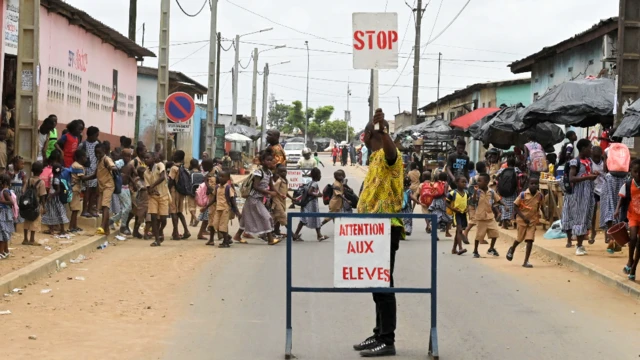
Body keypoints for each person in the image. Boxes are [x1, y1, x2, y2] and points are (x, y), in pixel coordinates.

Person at [351, 108, 402, 357]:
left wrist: (383, 132)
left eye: (366, 137)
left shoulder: (390, 155)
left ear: (370, 135)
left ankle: (387, 340)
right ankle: (378, 332)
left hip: (385, 228)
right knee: (374, 282)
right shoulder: (373, 159)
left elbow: (391, 154)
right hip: (369, 229)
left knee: (383, 283)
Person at [232, 150, 281, 245]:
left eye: (271, 160)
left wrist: (278, 193)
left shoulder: (269, 173)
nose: (270, 162)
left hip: (258, 199)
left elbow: (272, 186)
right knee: (266, 217)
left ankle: (237, 235)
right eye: (268, 160)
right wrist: (268, 192)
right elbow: (256, 186)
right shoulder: (259, 172)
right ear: (262, 161)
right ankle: (270, 239)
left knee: (246, 218)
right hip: (253, 199)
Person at [561, 139, 598, 255]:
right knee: (580, 218)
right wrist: (587, 177)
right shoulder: (574, 162)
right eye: (589, 147)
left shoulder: (589, 161)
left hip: (588, 193)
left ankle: (581, 245)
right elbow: (572, 178)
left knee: (586, 217)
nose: (591, 150)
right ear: (583, 149)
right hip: (579, 195)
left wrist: (592, 176)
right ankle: (579, 245)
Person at [509, 177, 544, 268]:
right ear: (528, 185)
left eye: (535, 184)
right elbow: (515, 206)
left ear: (538, 185)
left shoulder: (540, 195)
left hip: (532, 221)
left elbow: (541, 206)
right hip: (521, 221)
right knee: (519, 239)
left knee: (530, 240)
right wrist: (523, 217)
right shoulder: (523, 195)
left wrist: (544, 214)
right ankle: (512, 249)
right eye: (532, 184)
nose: (533, 185)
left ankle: (526, 261)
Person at [616, 159, 640, 279]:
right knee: (633, 237)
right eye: (635, 171)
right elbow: (622, 198)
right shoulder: (628, 184)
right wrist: (617, 210)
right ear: (631, 171)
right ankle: (630, 260)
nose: (638, 174)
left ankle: (634, 268)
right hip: (633, 215)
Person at [471, 173, 505, 258]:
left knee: (495, 233)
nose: (477, 182)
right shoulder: (478, 192)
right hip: (480, 217)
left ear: (486, 182)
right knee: (479, 235)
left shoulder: (491, 192)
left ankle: (491, 248)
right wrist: (475, 192)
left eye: (479, 181)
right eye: (477, 180)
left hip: (490, 216)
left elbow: (498, 200)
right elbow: (474, 201)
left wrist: (505, 205)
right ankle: (475, 250)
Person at [207, 170, 240, 248]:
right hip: (218, 209)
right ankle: (227, 238)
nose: (220, 178)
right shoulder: (217, 187)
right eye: (219, 176)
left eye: (222, 176)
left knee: (223, 226)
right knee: (215, 225)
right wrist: (206, 207)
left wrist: (237, 212)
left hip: (225, 209)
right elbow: (214, 199)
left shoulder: (228, 188)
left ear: (227, 178)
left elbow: (232, 201)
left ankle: (226, 242)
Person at [292, 167, 327, 241]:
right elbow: (310, 192)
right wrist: (318, 195)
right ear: (317, 176)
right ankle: (319, 235)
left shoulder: (310, 182)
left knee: (306, 219)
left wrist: (319, 194)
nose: (320, 176)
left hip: (307, 204)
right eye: (319, 175)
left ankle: (296, 234)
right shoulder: (315, 183)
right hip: (311, 204)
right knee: (313, 218)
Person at [146, 152, 170, 247]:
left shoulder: (160, 165)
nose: (145, 160)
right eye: (144, 158)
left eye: (148, 158)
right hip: (153, 197)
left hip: (163, 195)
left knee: (163, 219)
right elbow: (148, 188)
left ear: (152, 158)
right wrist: (151, 191)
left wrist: (152, 186)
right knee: (154, 218)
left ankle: (160, 231)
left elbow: (162, 177)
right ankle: (156, 239)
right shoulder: (146, 172)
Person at [21, 162, 47, 247]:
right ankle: (32, 239)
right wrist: (44, 206)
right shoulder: (41, 182)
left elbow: (23, 191)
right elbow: (43, 195)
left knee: (27, 220)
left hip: (27, 204)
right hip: (36, 205)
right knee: (35, 221)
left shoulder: (28, 180)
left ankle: (25, 239)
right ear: (41, 171)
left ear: (32, 170)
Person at [95, 143, 117, 236]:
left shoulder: (106, 159)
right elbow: (95, 174)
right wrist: (83, 178)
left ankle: (102, 226)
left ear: (104, 151)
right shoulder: (99, 161)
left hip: (108, 185)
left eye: (99, 153)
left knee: (105, 206)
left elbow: (113, 167)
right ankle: (106, 229)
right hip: (101, 187)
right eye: (96, 153)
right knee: (102, 207)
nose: (97, 155)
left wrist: (111, 167)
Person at [168, 150, 191, 240]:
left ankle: (176, 233)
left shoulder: (173, 168)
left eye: (174, 155)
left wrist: (168, 191)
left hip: (174, 191)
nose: (173, 156)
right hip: (181, 192)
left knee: (173, 212)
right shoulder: (182, 167)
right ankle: (186, 230)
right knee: (179, 212)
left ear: (176, 157)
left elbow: (171, 181)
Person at [42, 162, 69, 235]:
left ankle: (52, 230)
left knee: (51, 213)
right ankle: (61, 229)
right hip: (56, 198)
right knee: (58, 213)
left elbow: (58, 190)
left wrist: (51, 195)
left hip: (54, 198)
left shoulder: (55, 179)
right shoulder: (58, 177)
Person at [80, 126, 101, 218]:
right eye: (96, 135)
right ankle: (84, 210)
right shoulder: (83, 144)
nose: (97, 137)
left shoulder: (98, 143)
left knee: (94, 191)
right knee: (87, 191)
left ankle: (90, 209)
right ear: (91, 135)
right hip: (88, 170)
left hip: (96, 169)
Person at [495, 157, 521, 229]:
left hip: (503, 190)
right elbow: (520, 177)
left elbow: (495, 176)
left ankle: (504, 223)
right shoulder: (516, 169)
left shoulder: (502, 170)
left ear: (507, 163)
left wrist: (500, 183)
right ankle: (510, 221)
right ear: (514, 163)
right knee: (512, 206)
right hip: (512, 191)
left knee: (504, 206)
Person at [463, 161, 486, 240]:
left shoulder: (473, 178)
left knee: (480, 219)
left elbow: (468, 188)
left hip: (472, 200)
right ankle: (465, 232)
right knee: (476, 219)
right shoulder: (483, 178)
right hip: (478, 200)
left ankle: (480, 238)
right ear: (484, 168)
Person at [447, 175, 469, 255]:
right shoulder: (453, 193)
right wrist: (452, 209)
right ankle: (460, 248)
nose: (464, 184)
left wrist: (468, 208)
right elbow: (446, 202)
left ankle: (453, 249)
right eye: (462, 182)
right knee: (459, 230)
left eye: (465, 182)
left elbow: (468, 202)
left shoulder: (466, 193)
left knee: (458, 232)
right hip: (456, 214)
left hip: (463, 214)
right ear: (457, 183)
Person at [69, 150, 88, 233]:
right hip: (75, 189)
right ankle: (71, 226)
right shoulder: (78, 167)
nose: (86, 159)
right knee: (75, 209)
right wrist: (94, 176)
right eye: (85, 157)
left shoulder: (74, 165)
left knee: (76, 209)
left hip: (75, 188)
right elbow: (82, 178)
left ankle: (74, 226)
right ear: (82, 157)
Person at [429, 172, 452, 238]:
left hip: (435, 202)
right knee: (449, 218)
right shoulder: (445, 183)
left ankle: (434, 233)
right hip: (443, 202)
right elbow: (445, 193)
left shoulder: (435, 183)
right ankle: (447, 232)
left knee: (435, 219)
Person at [196, 159, 215, 240]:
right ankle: (200, 233)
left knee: (208, 217)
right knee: (207, 217)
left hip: (213, 197)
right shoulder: (209, 173)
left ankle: (201, 232)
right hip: (210, 198)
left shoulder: (214, 172)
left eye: (203, 166)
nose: (202, 168)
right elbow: (206, 181)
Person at [590, 146, 605, 244]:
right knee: (593, 211)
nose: (596, 159)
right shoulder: (589, 163)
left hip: (604, 188)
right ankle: (593, 232)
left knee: (605, 211)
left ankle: (607, 234)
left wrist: (600, 174)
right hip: (594, 188)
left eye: (598, 157)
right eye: (594, 157)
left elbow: (607, 173)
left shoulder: (604, 163)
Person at [272, 164, 290, 237]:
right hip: (277, 201)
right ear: (278, 173)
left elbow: (286, 191)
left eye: (285, 171)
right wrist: (280, 194)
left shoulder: (285, 181)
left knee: (275, 218)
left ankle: (273, 232)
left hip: (282, 201)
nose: (284, 173)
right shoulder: (279, 181)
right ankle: (293, 235)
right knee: (283, 217)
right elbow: (274, 189)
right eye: (282, 172)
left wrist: (292, 198)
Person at [133, 166, 150, 240]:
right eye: (143, 174)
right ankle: (135, 231)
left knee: (149, 219)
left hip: (149, 202)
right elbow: (142, 188)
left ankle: (146, 233)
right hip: (141, 203)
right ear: (139, 175)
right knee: (139, 219)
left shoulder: (148, 180)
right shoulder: (138, 181)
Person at [0, 174, 14, 258]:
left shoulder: (5, 191)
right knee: (4, 233)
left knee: (2, 233)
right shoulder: (3, 191)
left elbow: (11, 202)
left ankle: (1, 252)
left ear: (3, 183)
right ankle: (6, 251)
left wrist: (2, 202)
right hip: (3, 214)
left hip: (4, 214)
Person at [9, 155, 25, 225]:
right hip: (12, 192)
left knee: (17, 206)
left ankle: (16, 222)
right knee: (12, 206)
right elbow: (8, 181)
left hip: (19, 192)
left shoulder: (22, 173)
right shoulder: (10, 172)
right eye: (21, 164)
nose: (23, 166)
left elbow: (25, 182)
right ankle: (11, 221)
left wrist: (23, 188)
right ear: (15, 164)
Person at [187, 158, 201, 227]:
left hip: (191, 192)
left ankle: (195, 218)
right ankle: (191, 221)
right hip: (198, 192)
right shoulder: (200, 173)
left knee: (191, 207)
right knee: (194, 207)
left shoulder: (190, 172)